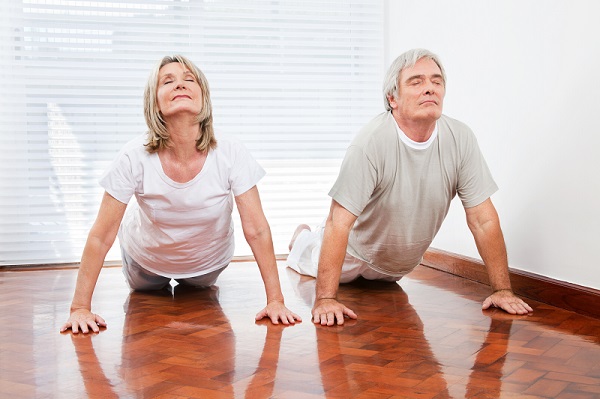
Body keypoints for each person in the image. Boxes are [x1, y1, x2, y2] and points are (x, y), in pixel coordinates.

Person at [287, 48, 533, 326]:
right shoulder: (371, 142)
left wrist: (502, 290)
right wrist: (325, 299)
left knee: (380, 285)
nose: (430, 88)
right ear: (392, 98)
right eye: (416, 82)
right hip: (352, 254)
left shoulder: (460, 139)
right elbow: (338, 223)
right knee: (309, 252)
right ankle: (302, 237)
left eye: (436, 81)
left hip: (395, 267)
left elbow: (483, 219)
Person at [61, 55, 301, 334]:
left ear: (203, 98)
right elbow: (101, 235)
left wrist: (276, 301)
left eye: (189, 79)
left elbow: (257, 230)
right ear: (155, 102)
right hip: (146, 262)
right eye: (168, 80)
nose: (180, 85)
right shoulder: (132, 156)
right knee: (148, 292)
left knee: (196, 292)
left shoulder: (231, 151)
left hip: (207, 264)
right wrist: (79, 308)